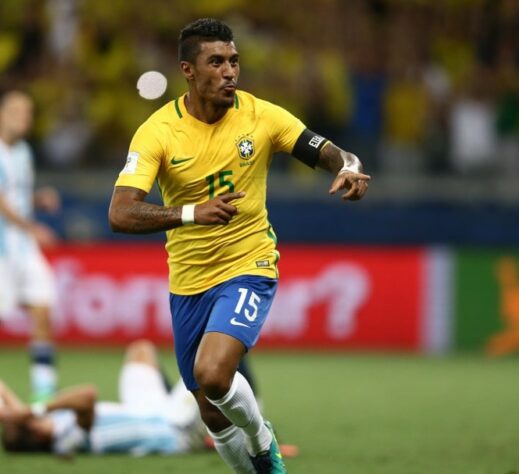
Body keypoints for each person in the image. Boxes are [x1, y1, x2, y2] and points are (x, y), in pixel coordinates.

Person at [108, 18, 370, 474]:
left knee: (214, 374)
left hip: (249, 265)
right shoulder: (158, 131)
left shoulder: (262, 116)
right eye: (216, 62)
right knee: (210, 411)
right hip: (188, 283)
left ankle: (261, 438)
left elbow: (329, 150)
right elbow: (120, 212)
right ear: (188, 70)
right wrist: (192, 212)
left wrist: (348, 165)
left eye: (234, 61)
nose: (230, 71)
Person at [0, 90, 61, 409]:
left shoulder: (23, 153)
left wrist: (37, 201)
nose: (25, 118)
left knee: (42, 309)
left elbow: (15, 199)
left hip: (24, 249)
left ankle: (43, 391)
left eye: (29, 112)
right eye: (18, 111)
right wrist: (32, 227)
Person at [0, 340, 208, 456]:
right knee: (209, 358)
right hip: (173, 427)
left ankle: (192, 402)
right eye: (28, 420)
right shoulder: (66, 442)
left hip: (144, 409)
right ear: (37, 433)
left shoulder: (43, 421)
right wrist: (32, 410)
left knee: (140, 350)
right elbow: (87, 396)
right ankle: (217, 426)